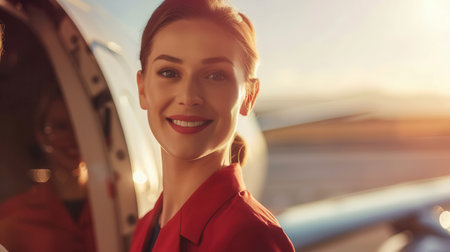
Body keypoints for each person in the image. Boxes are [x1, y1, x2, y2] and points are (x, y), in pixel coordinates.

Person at [129, 0, 295, 251]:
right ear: (142, 89)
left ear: (249, 96)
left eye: (216, 75)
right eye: (169, 73)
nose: (188, 96)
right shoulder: (145, 227)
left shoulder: (250, 237)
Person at [0, 89, 96, 252]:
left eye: (79, 124)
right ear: (41, 135)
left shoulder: (115, 206)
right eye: (61, 127)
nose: (73, 136)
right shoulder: (13, 216)